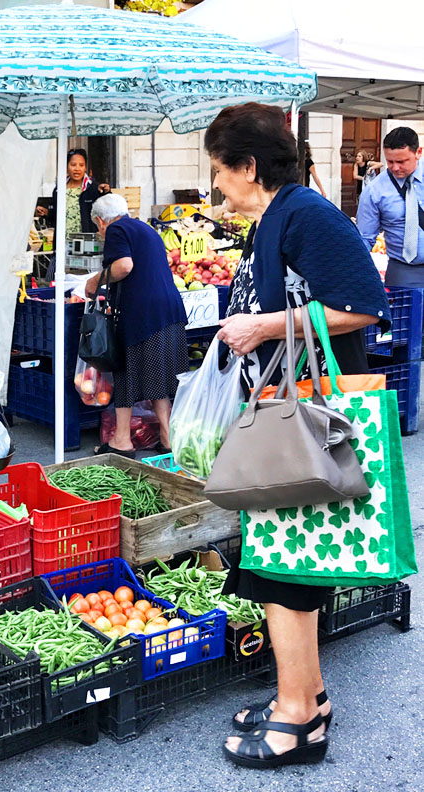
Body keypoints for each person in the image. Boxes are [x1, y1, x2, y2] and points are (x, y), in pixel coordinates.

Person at [203, 102, 391, 768]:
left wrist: (263, 327)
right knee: (286, 563)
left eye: (221, 171)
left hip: (308, 419)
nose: (217, 185)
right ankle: (306, 697)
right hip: (287, 414)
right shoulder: (275, 215)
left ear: (248, 166)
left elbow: (363, 305)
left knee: (286, 570)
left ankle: (297, 722)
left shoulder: (305, 213)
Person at [84, 193, 189, 457]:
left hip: (143, 312)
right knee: (159, 376)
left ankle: (122, 440)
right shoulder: (144, 228)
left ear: (100, 221)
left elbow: (124, 266)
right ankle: (167, 437)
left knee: (126, 372)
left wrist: (93, 283)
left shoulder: (116, 229)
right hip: (169, 309)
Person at [357, 126, 424, 287]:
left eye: (401, 161)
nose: (394, 168)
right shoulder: (374, 191)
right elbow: (365, 238)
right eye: (390, 161)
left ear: (418, 153)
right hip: (404, 271)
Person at [36, 148, 110, 234]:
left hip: (86, 242)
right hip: (62, 242)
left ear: (85, 167)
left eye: (81, 165)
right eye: (73, 165)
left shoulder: (94, 188)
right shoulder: (59, 190)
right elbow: (55, 217)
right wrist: (46, 212)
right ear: (67, 166)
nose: (77, 169)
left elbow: (108, 210)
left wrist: (106, 192)